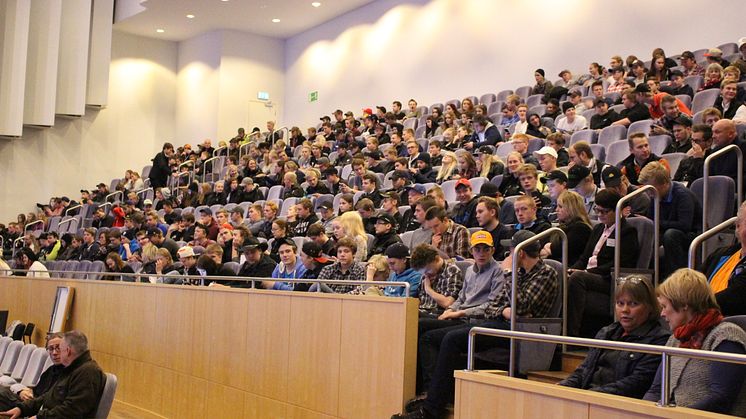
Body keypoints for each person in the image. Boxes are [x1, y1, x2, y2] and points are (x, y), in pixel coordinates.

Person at [394, 231, 558, 419]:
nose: (508, 255)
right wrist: (507, 310)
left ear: (519, 253)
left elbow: (519, 308)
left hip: (521, 331)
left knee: (451, 338)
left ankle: (431, 409)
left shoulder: (545, 274)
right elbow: (497, 306)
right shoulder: (519, 274)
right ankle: (429, 395)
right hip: (500, 322)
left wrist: (508, 278)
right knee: (427, 333)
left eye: (511, 250)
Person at [643, 269, 746, 416]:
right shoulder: (675, 339)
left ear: (684, 304)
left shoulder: (726, 336)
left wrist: (676, 416)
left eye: (665, 306)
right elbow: (655, 390)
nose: (662, 314)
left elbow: (720, 399)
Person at [415, 232, 503, 393]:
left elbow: (491, 306)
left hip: (478, 321)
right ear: (471, 251)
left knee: (428, 337)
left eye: (485, 249)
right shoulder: (470, 271)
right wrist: (450, 309)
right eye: (477, 249)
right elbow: (461, 297)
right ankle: (417, 386)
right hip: (461, 318)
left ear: (493, 250)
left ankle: (432, 390)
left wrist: (458, 313)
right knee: (417, 326)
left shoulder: (498, 272)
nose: (481, 253)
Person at [559, 276, 670, 398]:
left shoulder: (658, 340)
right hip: (590, 399)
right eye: (620, 303)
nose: (625, 310)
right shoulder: (606, 332)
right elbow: (584, 370)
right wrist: (562, 388)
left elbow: (636, 383)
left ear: (649, 307)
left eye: (633, 304)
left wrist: (589, 395)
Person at [566, 190, 640, 338]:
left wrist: (587, 273)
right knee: (565, 274)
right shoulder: (598, 228)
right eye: (597, 210)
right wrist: (572, 268)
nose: (599, 215)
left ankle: (570, 335)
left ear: (616, 210)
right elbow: (585, 257)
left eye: (604, 211)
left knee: (577, 278)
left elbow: (621, 263)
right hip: (589, 274)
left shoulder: (627, 231)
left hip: (609, 278)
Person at [0, 331, 105, 419]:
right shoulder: (73, 369)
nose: (55, 353)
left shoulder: (88, 372)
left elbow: (72, 411)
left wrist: (38, 417)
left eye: (60, 348)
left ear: (67, 351)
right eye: (51, 349)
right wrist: (21, 409)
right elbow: (47, 396)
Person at [638, 162, 701, 276]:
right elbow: (652, 220)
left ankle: (677, 277)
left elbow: (684, 225)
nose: (648, 193)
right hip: (668, 231)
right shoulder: (655, 195)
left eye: (651, 189)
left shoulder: (683, 195)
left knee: (670, 234)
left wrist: (656, 223)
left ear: (664, 184)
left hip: (691, 235)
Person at [699, 201, 746, 316]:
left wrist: (695, 306)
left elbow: (737, 296)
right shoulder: (720, 255)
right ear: (738, 226)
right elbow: (695, 283)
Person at [0, 333, 65, 410]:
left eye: (58, 348)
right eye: (51, 348)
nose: (54, 353)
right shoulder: (51, 370)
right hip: (32, 402)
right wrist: (22, 392)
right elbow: (36, 391)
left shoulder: (71, 374)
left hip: (40, 409)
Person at [542, 191, 592, 266]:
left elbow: (560, 249)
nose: (556, 210)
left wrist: (549, 247)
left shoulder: (581, 228)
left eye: (560, 206)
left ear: (571, 208)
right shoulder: (564, 226)